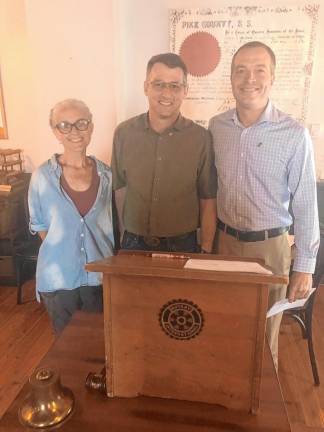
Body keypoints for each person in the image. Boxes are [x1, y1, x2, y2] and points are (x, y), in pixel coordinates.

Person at [209, 41, 319, 368]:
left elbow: (306, 204)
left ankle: (257, 407)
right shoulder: (216, 128)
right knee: (225, 326)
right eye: (240, 70)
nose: (249, 78)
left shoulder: (294, 134)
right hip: (225, 245)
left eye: (259, 70)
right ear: (230, 78)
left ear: (272, 76)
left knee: (263, 337)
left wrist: (305, 267)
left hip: (271, 249)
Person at [111, 53, 217, 253]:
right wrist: (122, 237)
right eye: (158, 84)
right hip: (133, 244)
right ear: (145, 87)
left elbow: (208, 198)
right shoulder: (124, 133)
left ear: (185, 90)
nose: (166, 93)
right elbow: (119, 189)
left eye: (175, 85)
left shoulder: (201, 138)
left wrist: (207, 249)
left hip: (183, 246)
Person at [28, 99, 114, 333]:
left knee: (100, 344)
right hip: (59, 281)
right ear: (55, 131)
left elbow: (110, 224)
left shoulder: (106, 175)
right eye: (64, 125)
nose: (74, 131)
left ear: (91, 127)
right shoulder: (42, 177)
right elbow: (42, 228)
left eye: (81, 123)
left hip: (99, 277)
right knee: (67, 350)